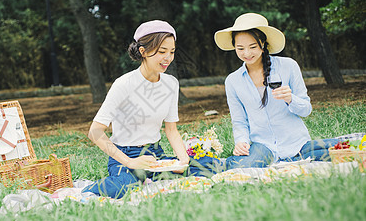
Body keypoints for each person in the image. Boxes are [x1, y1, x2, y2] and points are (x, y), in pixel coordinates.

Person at [214, 13, 337, 169]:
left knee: (344, 150)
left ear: (264, 43)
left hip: (296, 143)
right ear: (234, 47)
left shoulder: (288, 66)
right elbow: (239, 121)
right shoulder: (233, 81)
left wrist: (290, 98)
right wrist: (241, 141)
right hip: (263, 147)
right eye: (240, 48)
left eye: (253, 47)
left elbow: (306, 110)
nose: (246, 53)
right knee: (241, 167)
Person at [82, 20, 189, 199]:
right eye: (162, 52)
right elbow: (95, 132)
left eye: (171, 52)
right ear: (143, 52)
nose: (168, 58)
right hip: (125, 154)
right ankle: (89, 190)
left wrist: (183, 160)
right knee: (127, 188)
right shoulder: (123, 84)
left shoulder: (171, 83)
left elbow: (171, 130)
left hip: (155, 153)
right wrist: (130, 162)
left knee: (195, 171)